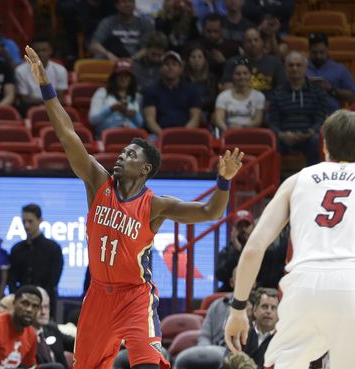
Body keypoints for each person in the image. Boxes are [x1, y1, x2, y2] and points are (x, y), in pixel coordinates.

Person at [25, 45, 244, 369]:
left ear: (145, 169)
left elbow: (211, 212)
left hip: (135, 295)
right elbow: (67, 134)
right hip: (98, 294)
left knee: (146, 364)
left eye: (131, 154)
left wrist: (224, 181)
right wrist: (46, 86)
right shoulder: (98, 182)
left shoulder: (154, 204)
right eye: (123, 151)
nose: (121, 156)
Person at [224, 110, 355, 369]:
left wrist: (237, 309)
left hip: (301, 285)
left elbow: (254, 248)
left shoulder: (295, 181)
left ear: (324, 145)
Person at [267, 51, 327, 166]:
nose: (294, 68)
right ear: (285, 69)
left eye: (298, 65)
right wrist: (281, 134)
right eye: (290, 65)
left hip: (308, 137)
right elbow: (272, 119)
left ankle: (312, 179)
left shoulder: (317, 91)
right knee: (273, 142)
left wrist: (311, 131)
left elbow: (320, 116)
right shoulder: (277, 93)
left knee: (315, 140)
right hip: (284, 138)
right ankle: (276, 182)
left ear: (305, 68)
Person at [9, 204, 64, 318]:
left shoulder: (53, 249)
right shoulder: (17, 249)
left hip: (45, 306)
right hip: (21, 307)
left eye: (30, 221)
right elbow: (12, 279)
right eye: (24, 222)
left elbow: (53, 280)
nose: (26, 226)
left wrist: (41, 301)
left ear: (40, 220)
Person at [142, 51, 203, 136]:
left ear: (181, 69)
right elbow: (150, 120)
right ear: (161, 68)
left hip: (186, 134)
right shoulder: (151, 91)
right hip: (158, 134)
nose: (170, 67)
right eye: (167, 64)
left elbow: (195, 118)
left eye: (174, 64)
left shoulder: (192, 90)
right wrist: (164, 135)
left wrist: (182, 135)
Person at [88, 59, 144, 138]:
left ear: (131, 78)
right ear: (114, 77)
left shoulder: (135, 96)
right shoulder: (102, 92)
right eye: (120, 75)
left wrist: (134, 115)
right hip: (108, 136)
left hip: (130, 136)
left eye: (127, 75)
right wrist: (111, 109)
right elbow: (93, 120)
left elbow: (140, 124)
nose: (123, 78)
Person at [221, 28, 284, 96]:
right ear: (243, 44)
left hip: (269, 103)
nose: (253, 43)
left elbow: (281, 88)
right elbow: (227, 89)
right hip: (240, 102)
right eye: (249, 41)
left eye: (256, 40)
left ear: (262, 42)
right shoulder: (233, 62)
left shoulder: (275, 62)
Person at [306, 32, 355, 113]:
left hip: (331, 115)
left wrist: (331, 89)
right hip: (305, 115)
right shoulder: (300, 68)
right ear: (309, 51)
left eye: (321, 52)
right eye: (314, 53)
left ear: (327, 50)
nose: (318, 56)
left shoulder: (339, 69)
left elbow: (353, 96)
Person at [15, 36, 67, 115]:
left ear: (50, 51)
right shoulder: (20, 71)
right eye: (37, 51)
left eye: (44, 50)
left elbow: (60, 98)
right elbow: (24, 99)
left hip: (54, 110)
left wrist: (42, 101)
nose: (40, 53)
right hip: (28, 110)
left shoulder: (60, 70)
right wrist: (49, 100)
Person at [89, 0, 154, 60]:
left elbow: (148, 47)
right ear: (117, 5)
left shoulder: (145, 23)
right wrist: (108, 54)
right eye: (124, 1)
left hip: (137, 62)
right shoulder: (107, 22)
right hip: (111, 61)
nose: (128, 4)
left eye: (131, 1)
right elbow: (94, 45)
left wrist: (133, 59)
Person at [213, 59, 265, 133]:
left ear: (250, 75)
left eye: (245, 73)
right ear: (232, 76)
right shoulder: (223, 96)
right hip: (228, 133)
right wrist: (227, 130)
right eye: (238, 74)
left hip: (251, 134)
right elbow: (219, 119)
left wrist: (242, 128)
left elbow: (258, 121)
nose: (242, 76)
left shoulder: (259, 96)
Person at [33, 287, 73, 369]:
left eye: (46, 307)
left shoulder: (51, 328)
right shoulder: (21, 335)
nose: (43, 312)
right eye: (39, 307)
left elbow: (75, 344)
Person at [242, 288, 278, 367]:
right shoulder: (242, 334)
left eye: (273, 308)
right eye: (265, 306)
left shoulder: (282, 339)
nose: (269, 311)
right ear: (254, 310)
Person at [183, 45, 219, 122]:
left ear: (205, 60)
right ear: (188, 60)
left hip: (206, 113)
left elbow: (212, 99)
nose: (197, 60)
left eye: (200, 57)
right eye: (193, 57)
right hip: (186, 113)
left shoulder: (212, 78)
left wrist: (196, 104)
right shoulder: (183, 79)